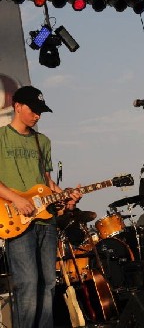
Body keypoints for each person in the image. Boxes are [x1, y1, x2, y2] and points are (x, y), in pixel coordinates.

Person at [0, 85, 81, 328]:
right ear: (17, 106)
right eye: (34, 110)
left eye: (41, 111)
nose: (37, 115)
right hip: (17, 221)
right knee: (28, 283)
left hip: (46, 220)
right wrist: (15, 199)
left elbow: (46, 182)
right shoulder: (1, 137)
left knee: (48, 284)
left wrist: (65, 196)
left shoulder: (42, 141)